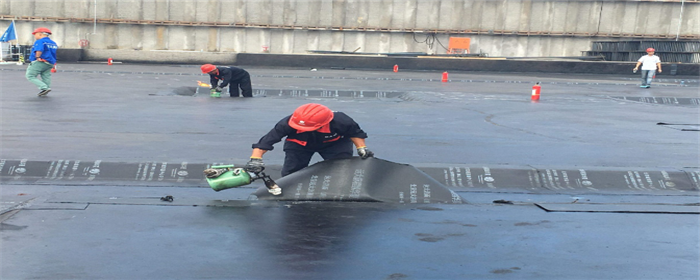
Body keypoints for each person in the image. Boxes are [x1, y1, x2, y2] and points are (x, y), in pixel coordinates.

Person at [245, 103, 374, 177]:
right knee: (292, 171)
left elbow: (355, 133)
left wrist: (361, 148)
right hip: (300, 143)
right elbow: (267, 141)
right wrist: (256, 159)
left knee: (340, 169)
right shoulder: (288, 122)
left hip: (333, 143)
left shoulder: (341, 120)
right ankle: (289, 189)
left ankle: (338, 188)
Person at [26, 27, 58, 97]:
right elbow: (54, 53)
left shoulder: (40, 41)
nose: (35, 36)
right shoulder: (53, 43)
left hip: (40, 61)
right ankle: (46, 88)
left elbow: (39, 49)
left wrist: (37, 57)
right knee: (46, 75)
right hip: (50, 62)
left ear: (40, 34)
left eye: (35, 34)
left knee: (30, 75)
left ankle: (44, 87)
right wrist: (54, 64)